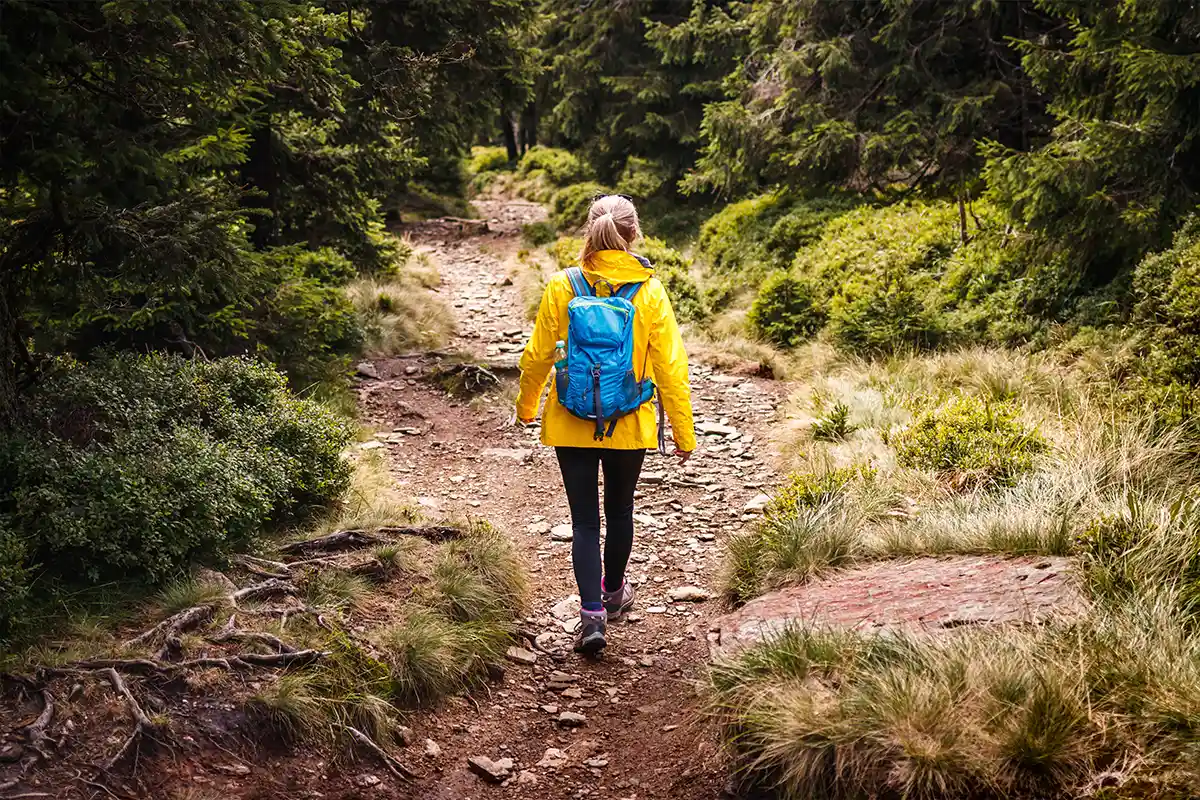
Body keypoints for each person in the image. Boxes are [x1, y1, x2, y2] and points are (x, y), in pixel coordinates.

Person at [515, 194, 696, 655]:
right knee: (618, 512)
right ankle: (614, 594)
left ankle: (591, 618)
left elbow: (538, 355)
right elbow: (671, 367)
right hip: (629, 421)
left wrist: (527, 405)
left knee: (583, 523)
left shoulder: (562, 285)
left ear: (589, 232)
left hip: (571, 419)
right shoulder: (650, 291)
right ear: (633, 233)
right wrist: (683, 431)